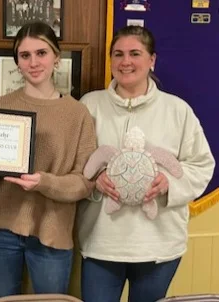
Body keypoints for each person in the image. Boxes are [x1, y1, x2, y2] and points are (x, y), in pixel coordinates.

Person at [77, 25, 215, 302]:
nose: (125, 62)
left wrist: (169, 184)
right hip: (102, 242)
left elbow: (202, 165)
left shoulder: (177, 110)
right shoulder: (89, 106)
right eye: (118, 54)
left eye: (135, 53)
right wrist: (94, 181)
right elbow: (76, 163)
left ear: (152, 60)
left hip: (158, 245)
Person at [0, 21, 96, 300]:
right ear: (17, 63)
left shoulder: (79, 114)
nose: (34, 62)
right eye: (25, 55)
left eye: (41, 53)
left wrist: (44, 183)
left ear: (56, 58)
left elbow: (84, 183)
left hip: (52, 231)